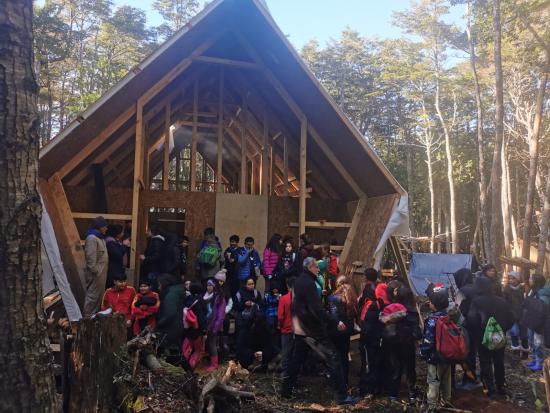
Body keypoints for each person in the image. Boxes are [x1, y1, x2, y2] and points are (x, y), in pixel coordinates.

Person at [281, 257, 357, 405]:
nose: (318, 269)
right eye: (316, 267)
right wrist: (335, 321)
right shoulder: (309, 283)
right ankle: (341, 397)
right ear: (310, 267)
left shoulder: (298, 282)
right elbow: (316, 309)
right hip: (312, 330)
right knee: (334, 357)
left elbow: (294, 306)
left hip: (300, 329)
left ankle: (285, 392)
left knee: (296, 361)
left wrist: (296, 325)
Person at [467, 276, 514, 397]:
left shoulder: (476, 301)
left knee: (485, 362)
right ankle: (501, 386)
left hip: (483, 338)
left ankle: (490, 389)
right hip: (500, 337)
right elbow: (511, 319)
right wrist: (501, 330)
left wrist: (477, 334)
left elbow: (472, 320)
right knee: (499, 362)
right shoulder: (501, 301)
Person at [384, 285, 420, 404]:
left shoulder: (391, 309)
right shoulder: (411, 311)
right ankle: (412, 395)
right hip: (407, 344)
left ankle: (393, 394)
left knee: (395, 368)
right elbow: (417, 332)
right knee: (410, 370)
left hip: (393, 343)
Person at [420, 287, 454, 412]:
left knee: (433, 379)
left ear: (434, 305)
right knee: (446, 378)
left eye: (431, 302)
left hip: (435, 356)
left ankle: (432, 405)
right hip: (448, 353)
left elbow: (428, 341)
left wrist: (423, 352)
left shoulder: (432, 321)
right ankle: (446, 400)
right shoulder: (448, 316)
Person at [358, 268, 388, 398]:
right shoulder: (382, 305)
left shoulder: (368, 305)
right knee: (378, 359)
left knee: (368, 361)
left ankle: (367, 389)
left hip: (369, 336)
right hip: (379, 335)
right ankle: (378, 387)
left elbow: (365, 323)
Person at [328, 276, 357, 388]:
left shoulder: (333, 298)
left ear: (337, 284)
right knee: (344, 356)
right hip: (347, 331)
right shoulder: (352, 297)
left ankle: (336, 382)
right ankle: (344, 381)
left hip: (336, 331)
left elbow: (334, 316)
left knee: (335, 356)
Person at [234, 277, 265, 368]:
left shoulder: (256, 293)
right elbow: (236, 306)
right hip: (242, 321)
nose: (251, 286)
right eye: (249, 284)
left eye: (252, 284)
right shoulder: (239, 293)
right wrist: (244, 304)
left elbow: (261, 305)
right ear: (245, 284)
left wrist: (253, 304)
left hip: (254, 322)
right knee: (241, 341)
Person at [155, 274, 187, 360]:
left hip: (170, 328)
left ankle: (186, 370)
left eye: (159, 285)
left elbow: (169, 314)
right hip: (175, 326)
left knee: (171, 352)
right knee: (175, 352)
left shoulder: (170, 296)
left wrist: (159, 323)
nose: (158, 288)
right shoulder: (175, 292)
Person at [83, 216, 109, 316]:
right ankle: (87, 319)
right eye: (105, 226)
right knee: (93, 296)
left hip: (101, 273)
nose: (106, 229)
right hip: (96, 274)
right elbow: (90, 259)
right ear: (99, 226)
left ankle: (94, 319)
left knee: (98, 297)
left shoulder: (100, 238)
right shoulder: (92, 238)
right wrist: (96, 271)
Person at [524, 274, 550, 371]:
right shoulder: (532, 290)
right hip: (531, 321)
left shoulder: (543, 294)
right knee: (531, 341)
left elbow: (543, 310)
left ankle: (539, 362)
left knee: (538, 343)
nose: (529, 279)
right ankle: (534, 359)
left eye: (531, 278)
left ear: (536, 281)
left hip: (539, 323)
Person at [503, 271, 528, 358]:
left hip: (522, 316)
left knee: (524, 335)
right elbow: (505, 303)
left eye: (513, 278)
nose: (511, 280)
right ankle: (516, 351)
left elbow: (526, 302)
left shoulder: (522, 289)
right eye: (509, 278)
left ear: (518, 279)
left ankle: (525, 351)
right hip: (512, 316)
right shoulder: (506, 290)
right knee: (514, 333)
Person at [203, 278, 227, 372]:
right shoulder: (205, 296)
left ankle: (214, 364)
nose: (208, 287)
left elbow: (221, 315)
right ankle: (208, 361)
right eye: (207, 285)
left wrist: (215, 328)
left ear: (215, 286)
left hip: (214, 325)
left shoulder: (219, 298)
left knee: (212, 344)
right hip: (206, 324)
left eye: (210, 285)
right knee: (208, 343)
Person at [182, 282, 207, 369]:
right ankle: (191, 367)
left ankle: (183, 365)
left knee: (186, 348)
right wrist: (204, 330)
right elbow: (202, 316)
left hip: (187, 327)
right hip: (197, 329)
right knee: (197, 350)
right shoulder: (200, 301)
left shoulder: (187, 300)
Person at [140, 225, 166, 290]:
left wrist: (145, 258)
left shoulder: (157, 242)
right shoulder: (155, 240)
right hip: (153, 268)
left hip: (153, 268)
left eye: (148, 231)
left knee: (151, 286)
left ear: (152, 232)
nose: (146, 232)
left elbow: (157, 256)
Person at [278, 277, 294, 374]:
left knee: (285, 352)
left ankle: (285, 374)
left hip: (286, 329)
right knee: (293, 353)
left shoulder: (284, 299)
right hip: (297, 330)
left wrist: (279, 325)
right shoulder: (300, 298)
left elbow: (280, 316)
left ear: (288, 286)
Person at [105, 224, 128, 289]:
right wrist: (124, 245)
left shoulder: (115, 241)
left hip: (116, 269)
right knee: (112, 289)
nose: (123, 233)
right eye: (122, 232)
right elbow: (118, 254)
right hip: (112, 270)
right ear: (117, 233)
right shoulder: (110, 242)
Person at [264, 278, 282, 356]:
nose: (275, 291)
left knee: (278, 332)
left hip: (278, 314)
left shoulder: (280, 296)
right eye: (274, 290)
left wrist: (279, 299)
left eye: (276, 290)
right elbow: (265, 305)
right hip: (270, 314)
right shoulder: (267, 296)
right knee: (271, 328)